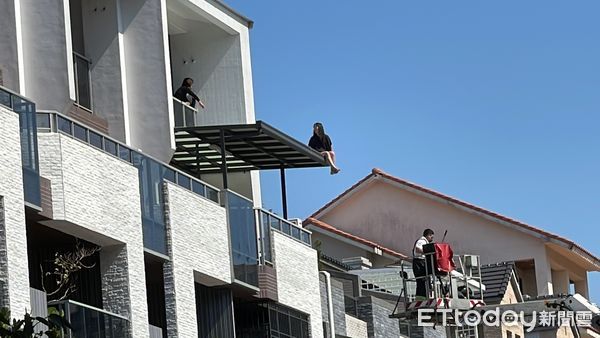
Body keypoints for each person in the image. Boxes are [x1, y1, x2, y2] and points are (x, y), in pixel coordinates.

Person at [413, 228, 435, 300]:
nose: (432, 238)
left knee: (425, 281)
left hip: (421, 262)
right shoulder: (422, 241)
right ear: (428, 235)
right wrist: (427, 253)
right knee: (422, 281)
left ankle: (425, 297)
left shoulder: (424, 242)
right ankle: (422, 298)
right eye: (431, 236)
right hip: (419, 263)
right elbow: (417, 249)